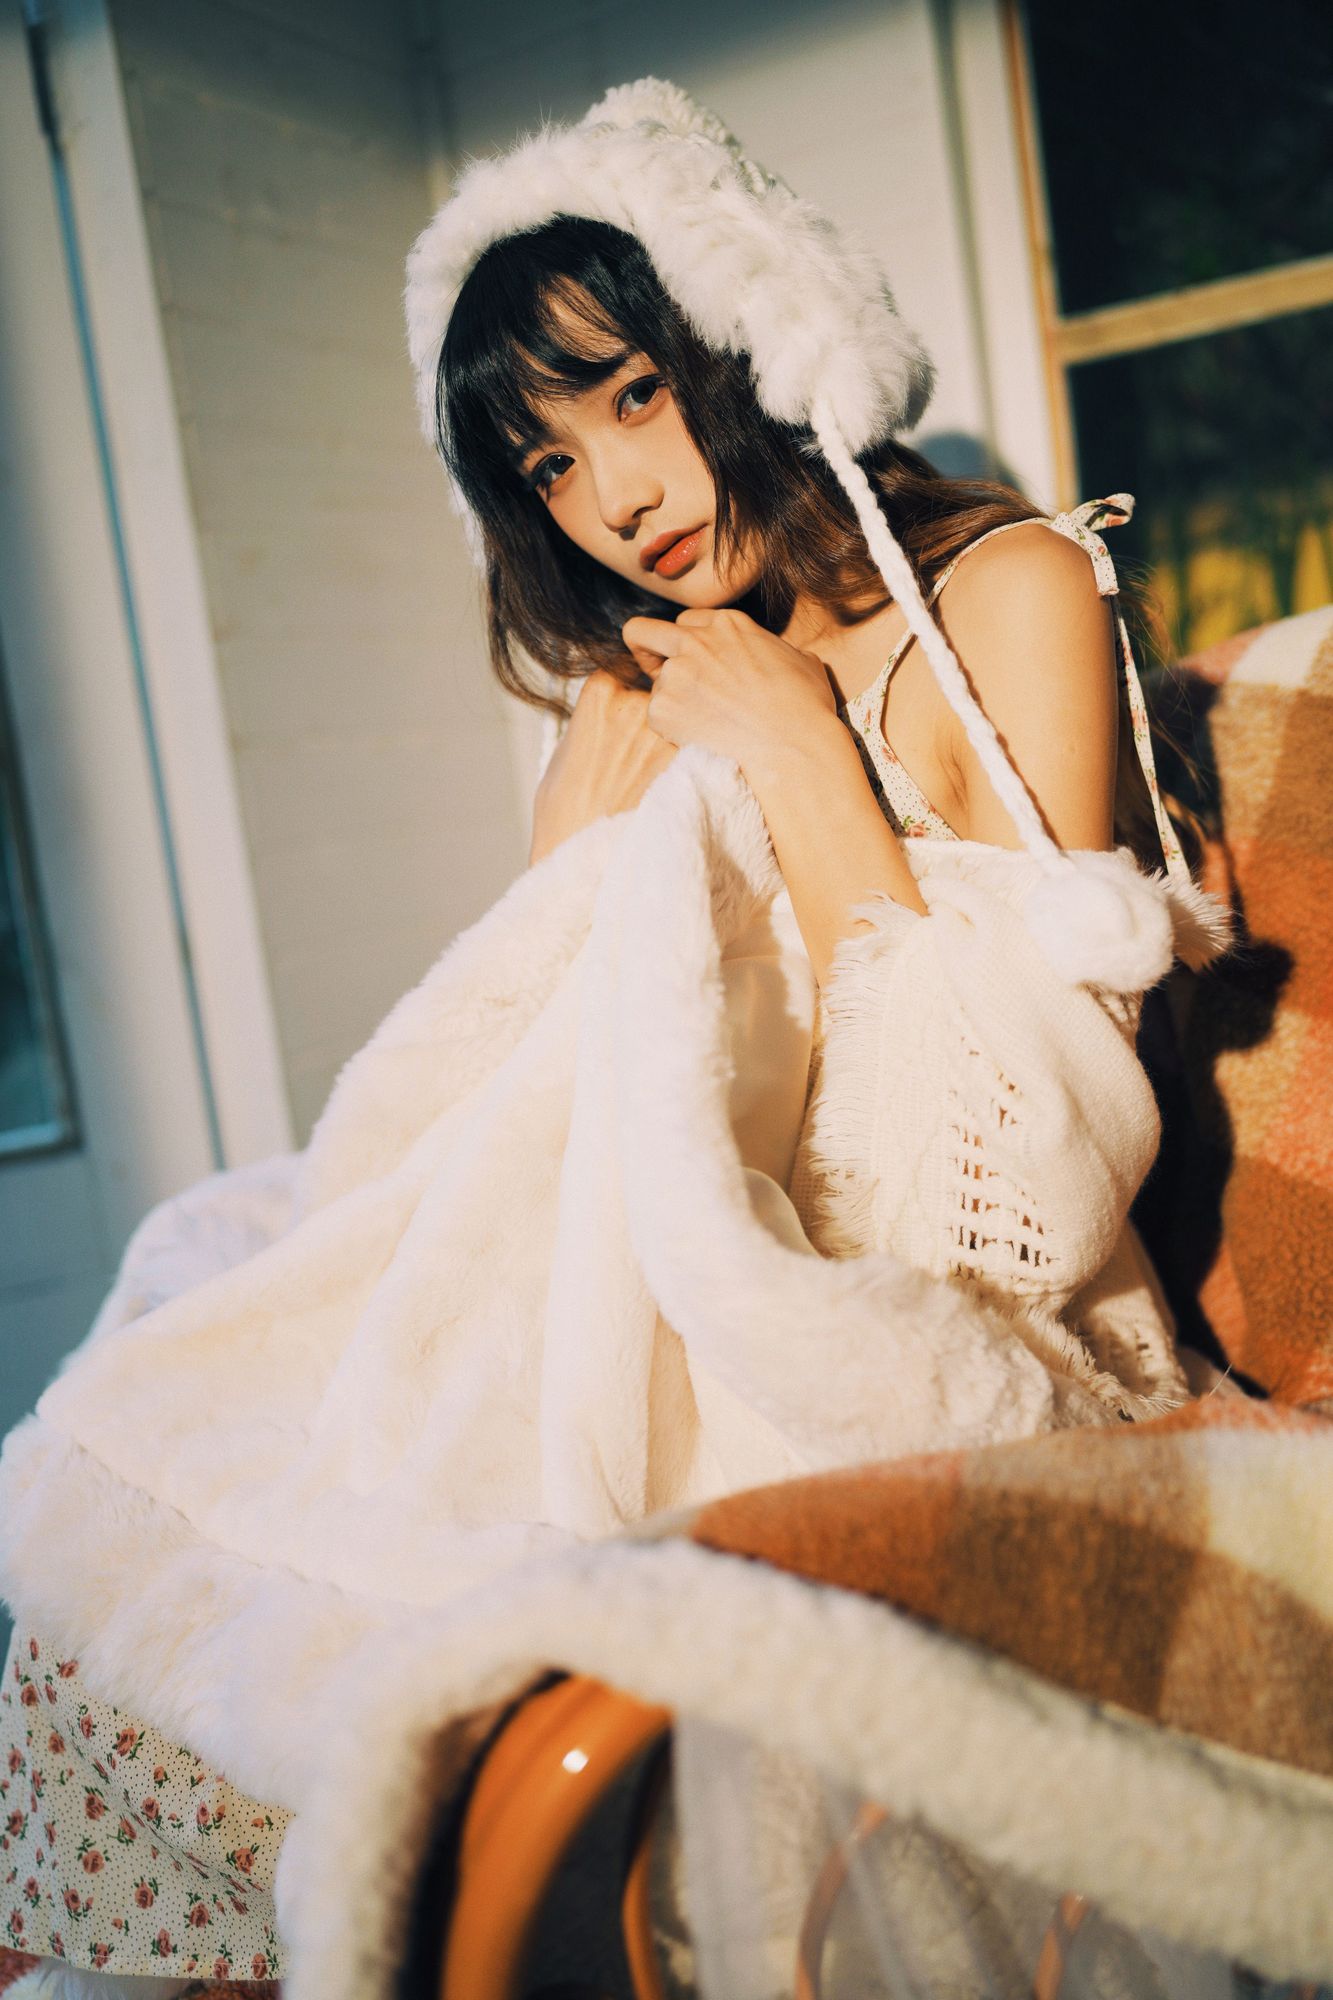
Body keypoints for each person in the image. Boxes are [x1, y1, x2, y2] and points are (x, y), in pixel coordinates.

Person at [0, 77, 1232, 1997]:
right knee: (172, 1442)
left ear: (754, 338)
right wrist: (572, 845)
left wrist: (805, 764)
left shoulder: (1004, 595)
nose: (619, 500)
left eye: (635, 396)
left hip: (916, 1320)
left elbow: (1025, 1188)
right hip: (630, 1285)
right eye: (548, 463)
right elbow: (522, 1099)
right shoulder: (635, 689)